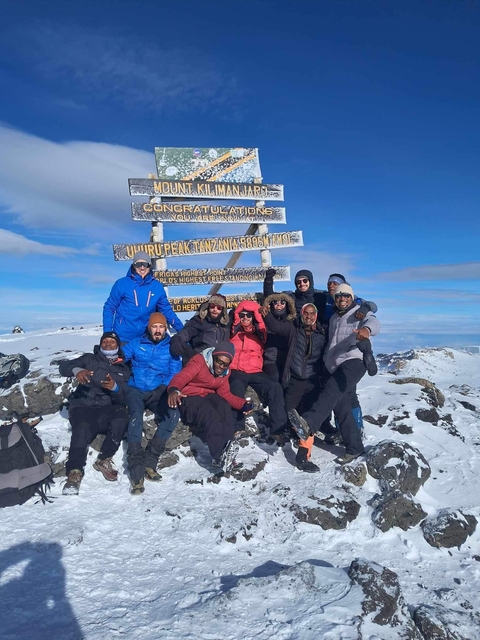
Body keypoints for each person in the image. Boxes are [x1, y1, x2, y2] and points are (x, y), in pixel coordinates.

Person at [288, 283, 380, 465]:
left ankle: (309, 423)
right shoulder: (333, 319)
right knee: (341, 407)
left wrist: (366, 330)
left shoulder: (359, 312)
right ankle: (355, 448)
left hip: (354, 361)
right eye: (338, 296)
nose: (342, 299)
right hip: (335, 366)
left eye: (346, 295)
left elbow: (374, 322)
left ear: (352, 297)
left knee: (330, 391)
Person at [59, 332, 130, 495]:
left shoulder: (123, 369)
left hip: (105, 408)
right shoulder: (89, 359)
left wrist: (115, 388)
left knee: (121, 415)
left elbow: (121, 398)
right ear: (100, 344)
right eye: (105, 341)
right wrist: (77, 370)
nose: (108, 344)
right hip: (82, 406)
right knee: (82, 427)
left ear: (118, 346)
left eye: (112, 342)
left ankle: (104, 459)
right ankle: (74, 472)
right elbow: (63, 368)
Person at [167, 342, 254, 472]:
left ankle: (226, 451)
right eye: (219, 361)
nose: (221, 366)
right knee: (209, 413)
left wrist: (242, 404)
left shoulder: (225, 372)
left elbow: (225, 394)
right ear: (213, 356)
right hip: (188, 397)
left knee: (224, 406)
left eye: (225, 364)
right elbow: (182, 376)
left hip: (207, 396)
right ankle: (219, 455)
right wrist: (174, 389)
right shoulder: (199, 361)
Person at [263, 302, 326, 472]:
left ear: (316, 315)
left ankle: (302, 455)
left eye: (313, 313)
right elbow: (274, 325)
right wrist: (266, 311)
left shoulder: (322, 332)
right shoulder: (293, 330)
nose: (309, 316)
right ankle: (292, 435)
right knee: (289, 412)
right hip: (295, 380)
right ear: (301, 314)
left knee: (309, 418)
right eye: (306, 313)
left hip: (314, 382)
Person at [122, 312, 182, 495]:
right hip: (135, 389)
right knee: (135, 418)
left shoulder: (171, 347)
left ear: (165, 328)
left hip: (158, 391)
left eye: (161, 327)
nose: (157, 330)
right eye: (154, 327)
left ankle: (151, 460)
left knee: (173, 414)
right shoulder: (137, 343)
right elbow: (119, 357)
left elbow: (174, 372)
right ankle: (136, 471)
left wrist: (163, 388)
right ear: (149, 327)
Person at [228, 300, 288, 436]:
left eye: (248, 315)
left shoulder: (261, 333)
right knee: (235, 386)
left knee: (274, 387)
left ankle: (278, 430)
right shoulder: (231, 332)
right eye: (242, 315)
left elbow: (268, 324)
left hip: (255, 370)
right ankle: (237, 427)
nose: (245, 318)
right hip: (236, 369)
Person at [103, 250, 183, 344]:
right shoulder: (122, 284)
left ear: (149, 266)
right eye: (138, 264)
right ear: (133, 266)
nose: (142, 267)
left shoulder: (156, 287)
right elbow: (109, 308)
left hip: (145, 339)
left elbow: (167, 311)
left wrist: (182, 331)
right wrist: (108, 333)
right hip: (123, 338)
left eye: (145, 264)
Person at [263, 269, 377, 323]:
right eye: (299, 282)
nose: (302, 283)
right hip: (296, 333)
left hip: (322, 334)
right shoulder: (291, 296)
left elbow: (371, 304)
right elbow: (272, 298)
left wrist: (365, 308)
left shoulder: (322, 295)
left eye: (305, 280)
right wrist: (268, 281)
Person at [170, 294, 232, 364]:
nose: (215, 309)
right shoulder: (199, 321)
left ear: (223, 310)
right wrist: (177, 341)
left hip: (221, 364)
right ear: (208, 307)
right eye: (212, 306)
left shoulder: (226, 324)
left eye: (219, 307)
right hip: (201, 362)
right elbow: (185, 333)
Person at [261, 292, 296, 382]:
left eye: (282, 303)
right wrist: (268, 280)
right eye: (275, 302)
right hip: (270, 359)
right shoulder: (265, 318)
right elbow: (267, 295)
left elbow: (277, 327)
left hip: (287, 359)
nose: (279, 305)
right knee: (274, 377)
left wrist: (267, 317)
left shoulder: (291, 322)